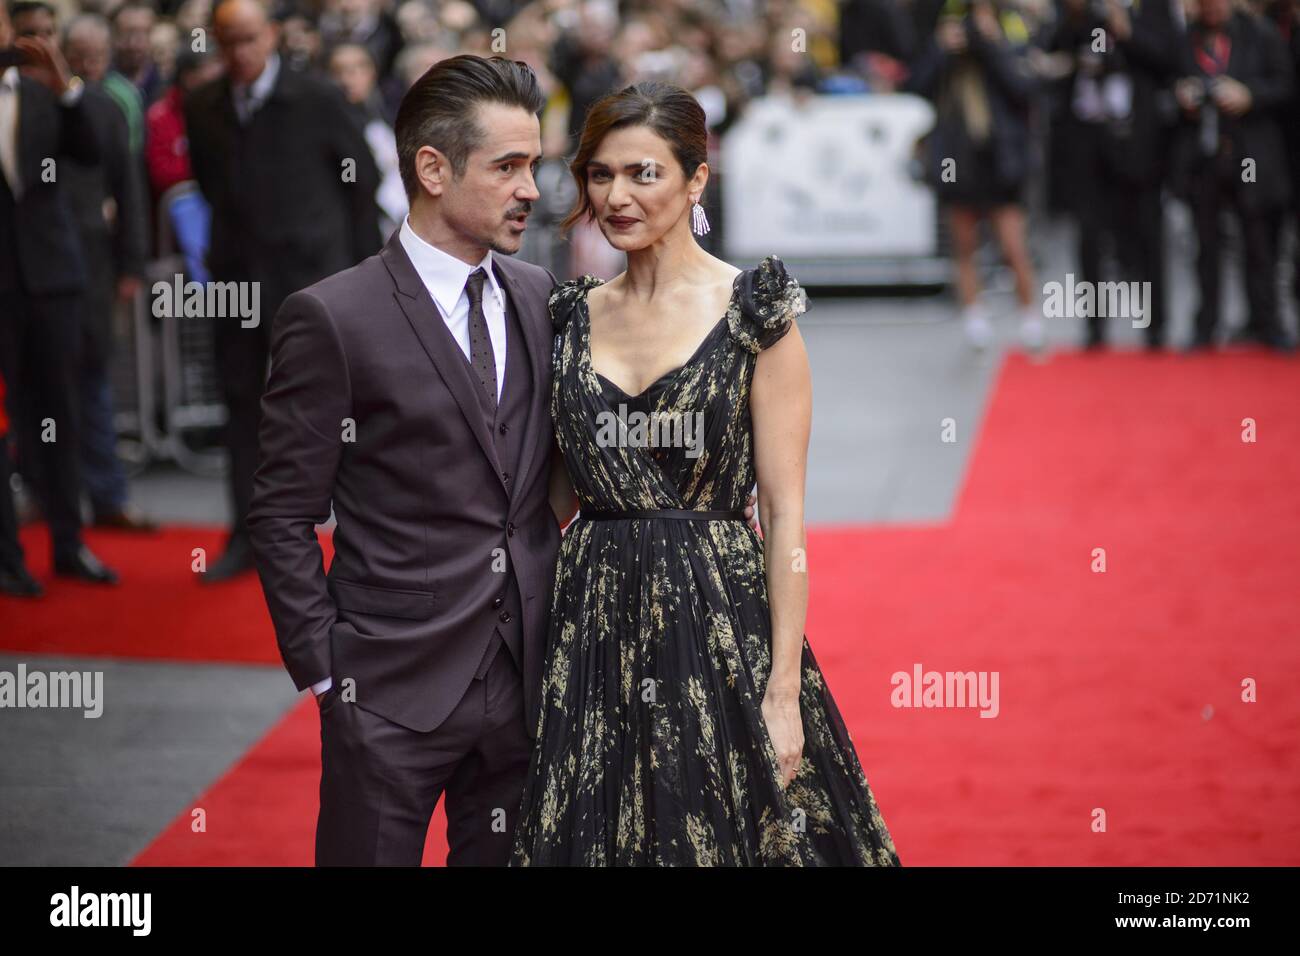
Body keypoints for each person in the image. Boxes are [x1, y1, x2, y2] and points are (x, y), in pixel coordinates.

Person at [508, 81, 902, 866]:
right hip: (593, 624)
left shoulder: (754, 310)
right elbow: (547, 500)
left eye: (643, 174)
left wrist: (783, 691)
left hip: (720, 616)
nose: (617, 197)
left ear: (696, 179)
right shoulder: (570, 313)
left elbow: (786, 517)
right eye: (600, 174)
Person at [185, 0, 382, 582]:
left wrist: (366, 278)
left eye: (248, 38)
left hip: (313, 284)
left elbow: (360, 179)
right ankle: (246, 537)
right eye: (227, 42)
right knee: (243, 405)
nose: (239, 53)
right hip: (238, 285)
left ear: (270, 35)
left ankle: (366, 538)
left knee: (338, 411)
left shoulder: (317, 98)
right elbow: (209, 184)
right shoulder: (204, 106)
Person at [0, 1, 120, 584]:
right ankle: (9, 557)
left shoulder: (56, 93)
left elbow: (93, 149)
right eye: (26, 35)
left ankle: (70, 545)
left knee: (62, 410)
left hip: (52, 276)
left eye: (47, 35)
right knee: (7, 420)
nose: (36, 45)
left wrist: (66, 86)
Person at [905, 0, 1042, 352]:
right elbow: (916, 86)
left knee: (1013, 245)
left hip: (998, 160)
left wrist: (992, 46)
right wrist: (941, 50)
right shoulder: (945, 46)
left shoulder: (1008, 36)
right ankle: (974, 319)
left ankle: (1030, 318)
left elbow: (1022, 90)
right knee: (963, 245)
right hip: (957, 159)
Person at [1170, 0, 1295, 350]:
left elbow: (1286, 85)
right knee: (1205, 244)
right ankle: (1206, 324)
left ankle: (1267, 321)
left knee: (1257, 240)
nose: (1211, 8)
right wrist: (1182, 95)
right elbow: (1165, 84)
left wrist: (1250, 95)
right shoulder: (1186, 39)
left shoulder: (1259, 34)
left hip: (1248, 157)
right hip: (1204, 156)